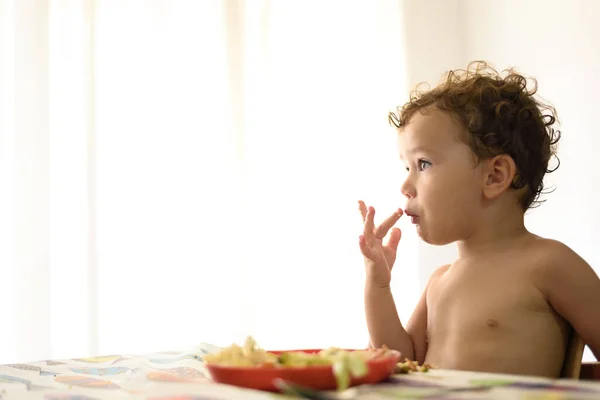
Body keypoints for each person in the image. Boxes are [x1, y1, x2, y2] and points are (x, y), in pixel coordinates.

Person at [358, 61, 600, 378]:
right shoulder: (440, 282)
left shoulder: (549, 265)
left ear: (494, 176)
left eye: (424, 164)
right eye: (407, 168)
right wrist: (378, 285)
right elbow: (398, 360)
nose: (405, 187)